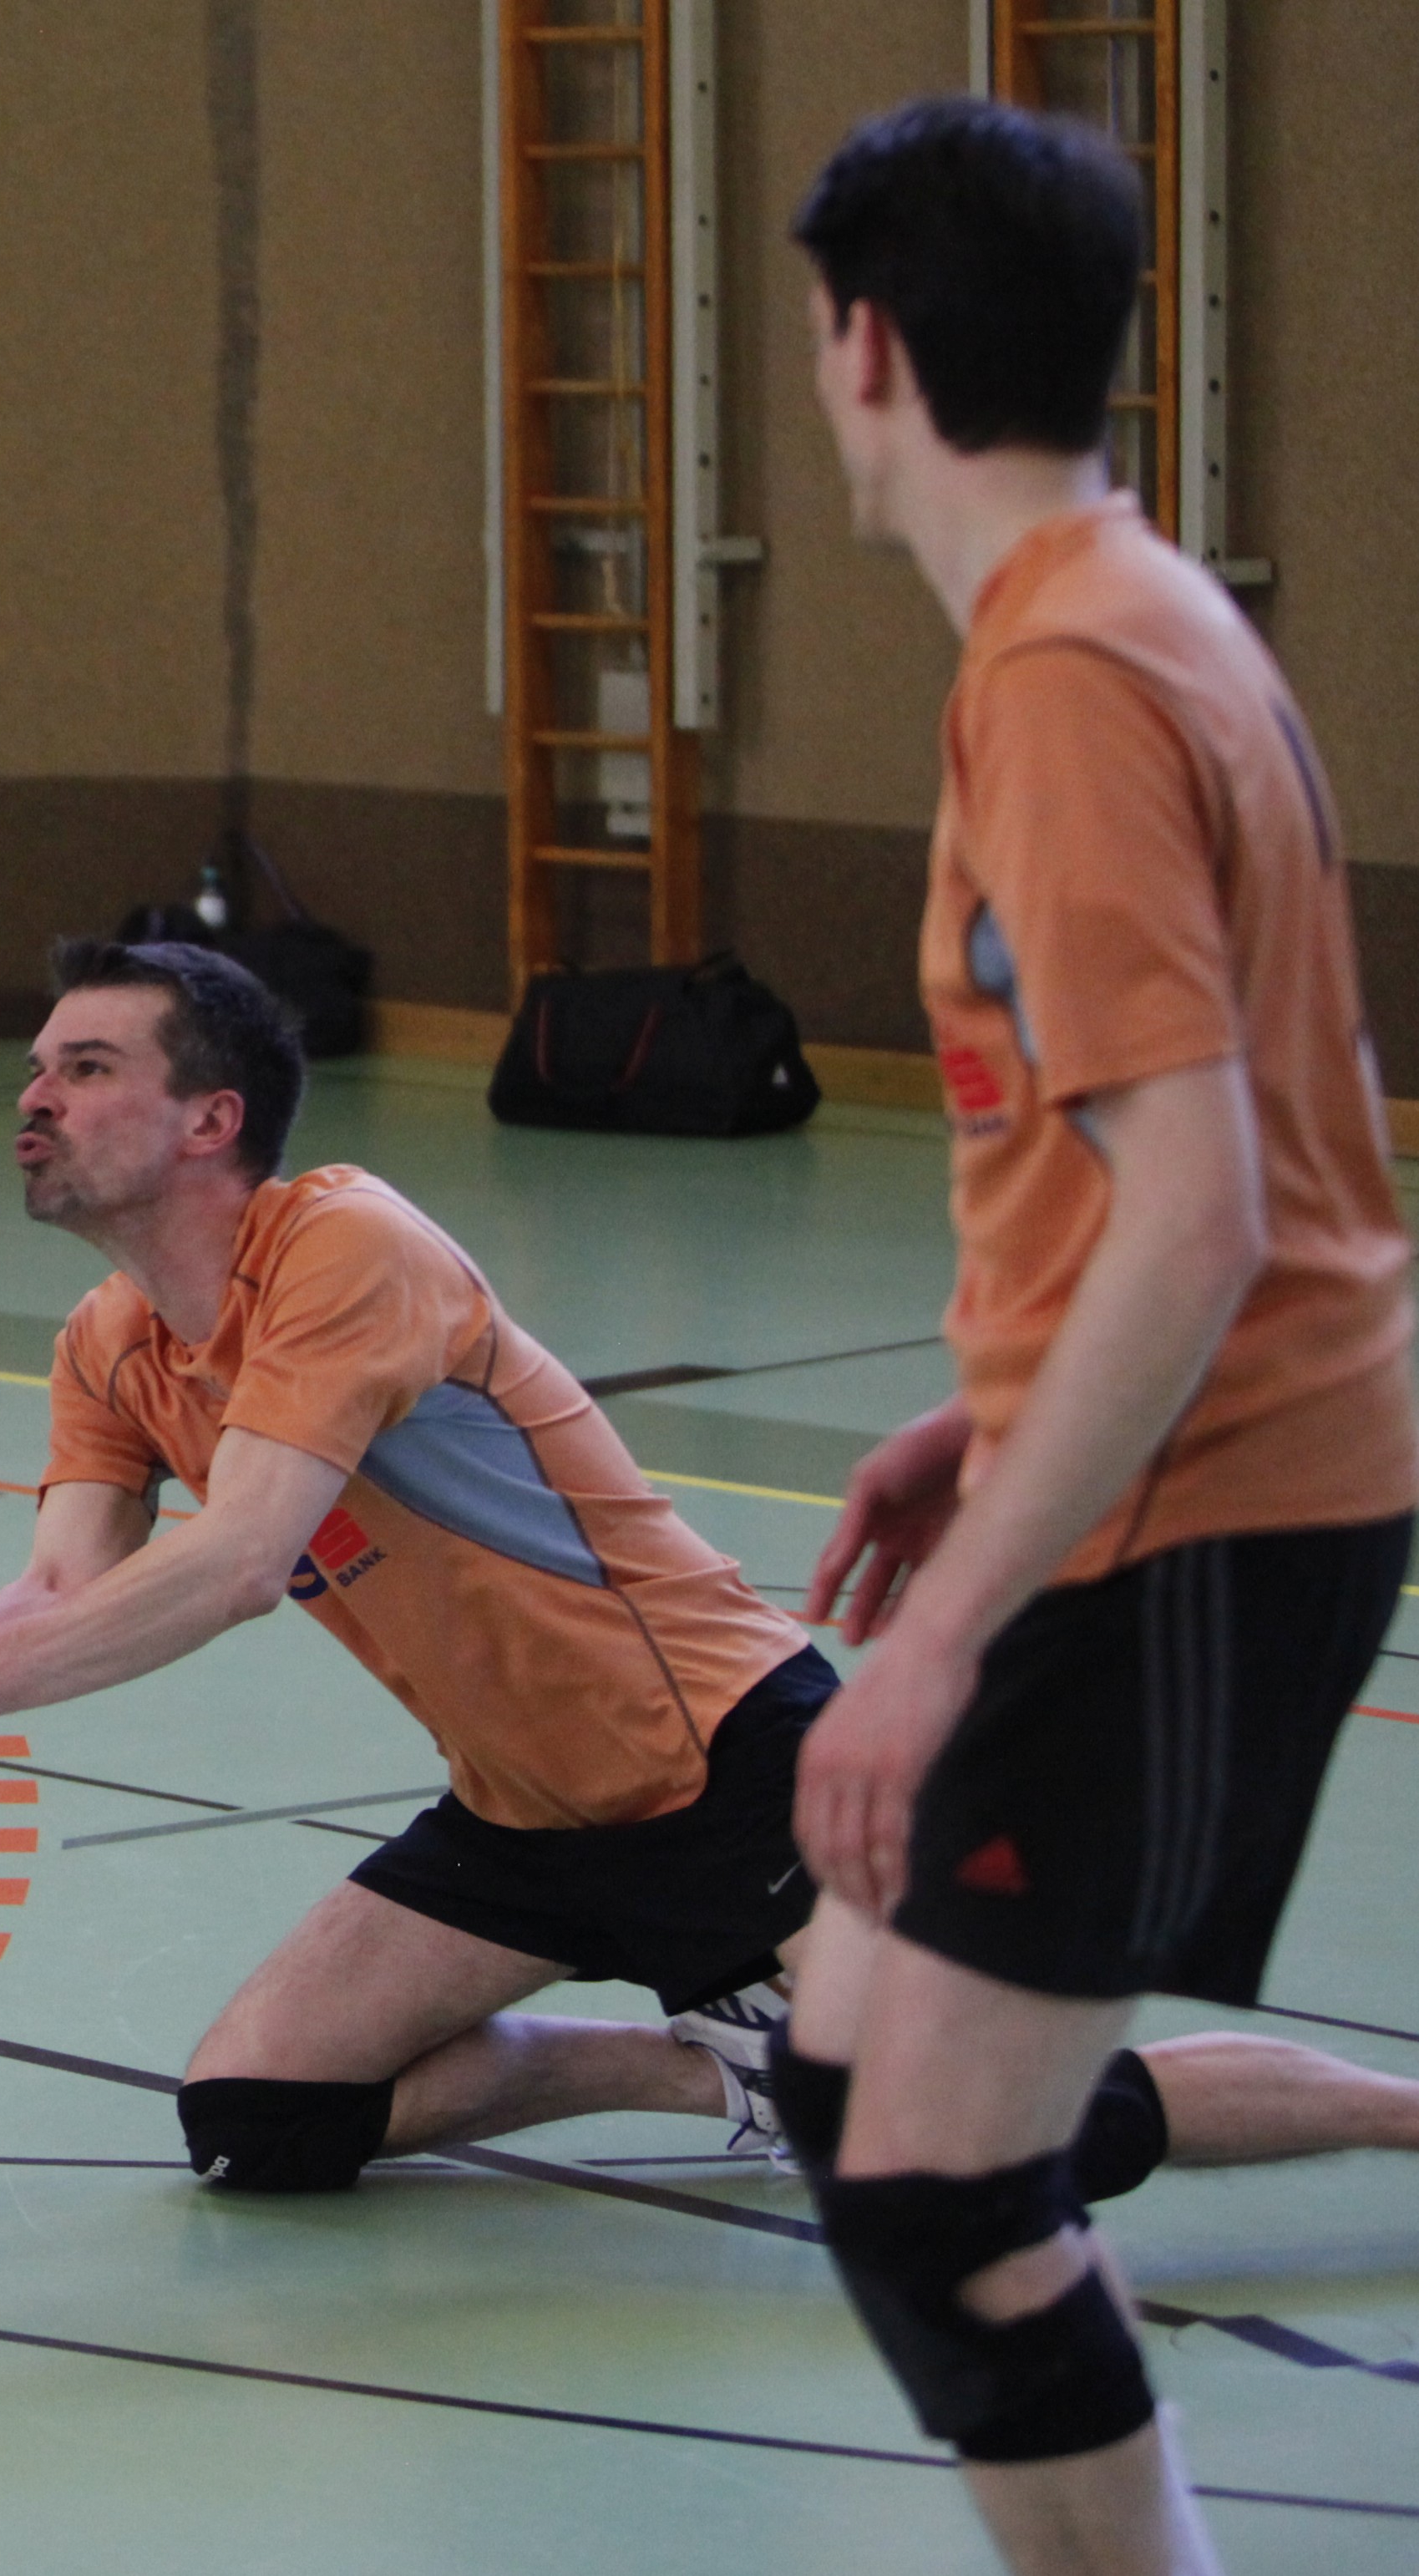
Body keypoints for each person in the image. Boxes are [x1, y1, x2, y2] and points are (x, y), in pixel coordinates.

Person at [0, 941, 1419, 2222]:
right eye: (36, 1069)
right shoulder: (110, 1341)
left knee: (987, 2130)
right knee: (258, 2119)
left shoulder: (344, 1248)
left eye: (84, 1069)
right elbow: (66, 1577)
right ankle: (712, 2068)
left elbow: (238, 1562)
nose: (36, 1098)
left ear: (210, 1120)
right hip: (523, 1815)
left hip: (723, 1762)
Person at [783, 100, 1417, 2576]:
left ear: (864, 347)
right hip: (1161, 1462)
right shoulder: (1136, 612)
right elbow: (1227, 1130)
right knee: (855, 2092)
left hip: (1202, 1508)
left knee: (942, 2184)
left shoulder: (1068, 672)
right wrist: (996, 1404)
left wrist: (944, 1632)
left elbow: (1203, 1203)